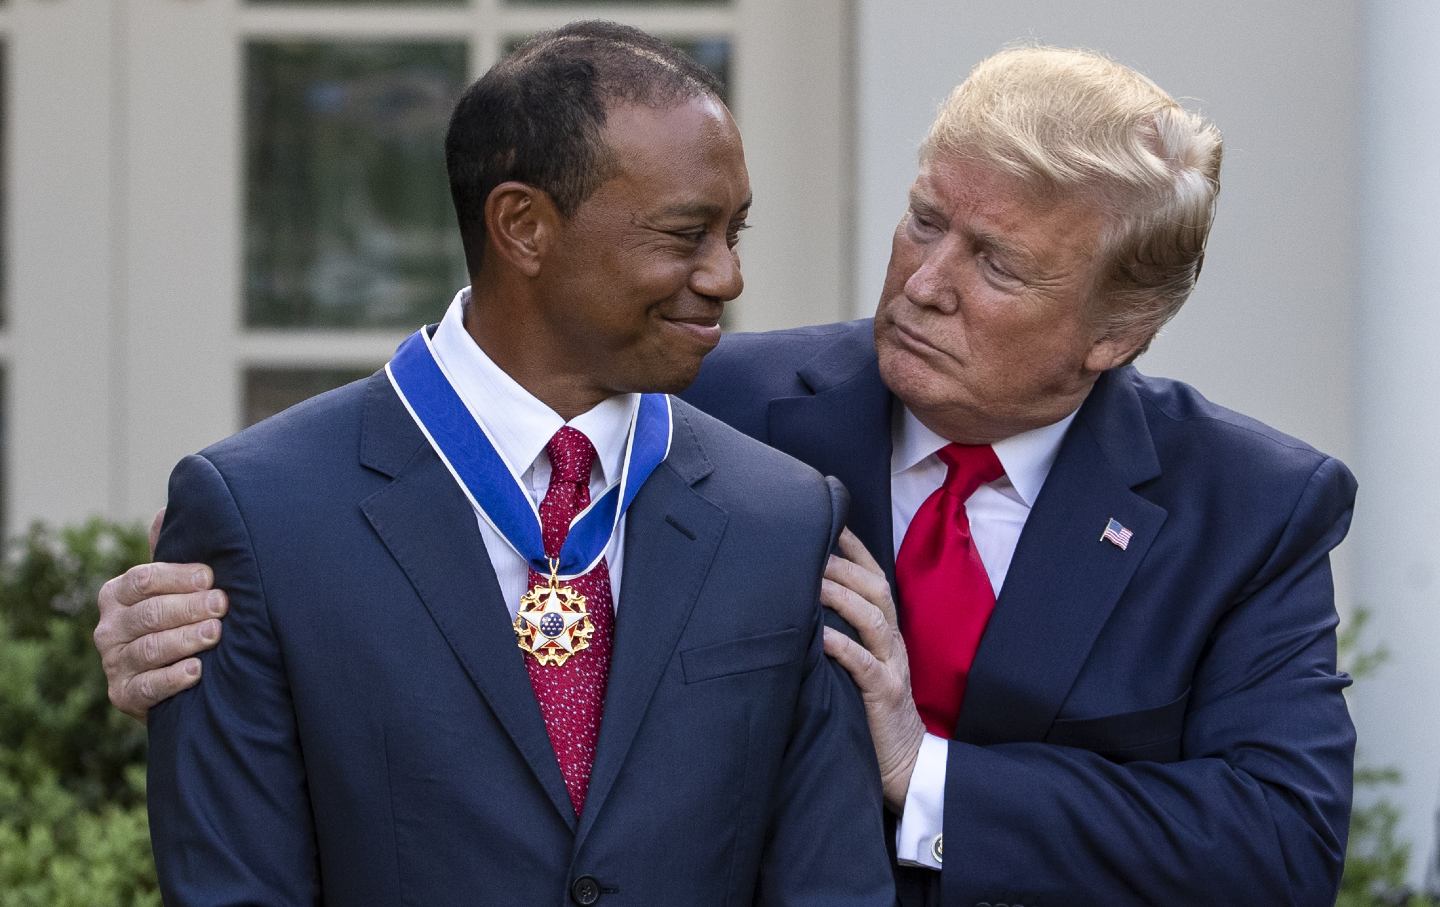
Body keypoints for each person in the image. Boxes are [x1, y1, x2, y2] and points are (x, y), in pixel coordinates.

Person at [98, 43, 1357, 906]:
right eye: (926, 219)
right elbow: (457, 426)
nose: (924, 281)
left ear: (1117, 332)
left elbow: (1281, 842)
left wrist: (923, 773)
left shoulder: (1253, 508)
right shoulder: (709, 398)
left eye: (998, 264)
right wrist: (218, 608)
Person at [132, 21, 895, 906]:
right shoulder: (262, 515)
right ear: (523, 226)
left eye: (735, 233)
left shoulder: (785, 518)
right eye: (687, 233)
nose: (726, 276)